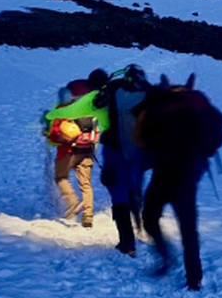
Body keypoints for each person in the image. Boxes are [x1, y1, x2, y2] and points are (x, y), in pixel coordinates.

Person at [132, 73, 222, 291]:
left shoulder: (158, 104)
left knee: (149, 216)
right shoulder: (198, 103)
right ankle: (194, 278)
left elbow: (140, 139)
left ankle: (166, 257)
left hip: (164, 170)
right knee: (188, 227)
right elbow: (219, 132)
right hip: (189, 172)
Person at [93, 65, 153, 257]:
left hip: (115, 153)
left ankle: (127, 244)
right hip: (140, 154)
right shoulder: (150, 95)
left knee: (118, 197)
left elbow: (89, 105)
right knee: (134, 188)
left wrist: (53, 116)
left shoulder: (112, 91)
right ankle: (143, 227)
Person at [43, 70, 110, 228]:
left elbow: (54, 132)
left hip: (67, 150)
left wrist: (48, 118)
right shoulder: (98, 104)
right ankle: (88, 217)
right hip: (88, 148)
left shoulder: (71, 107)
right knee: (86, 184)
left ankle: (73, 202)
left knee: (61, 178)